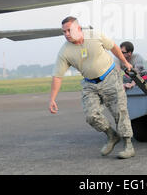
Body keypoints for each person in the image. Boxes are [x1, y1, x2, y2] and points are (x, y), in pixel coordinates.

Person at [49, 17, 135, 159]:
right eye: (63, 32)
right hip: (89, 84)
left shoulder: (94, 35)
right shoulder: (65, 51)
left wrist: (125, 62)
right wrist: (52, 99)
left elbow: (113, 46)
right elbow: (57, 76)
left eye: (68, 30)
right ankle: (112, 136)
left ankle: (128, 146)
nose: (66, 34)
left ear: (78, 28)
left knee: (120, 112)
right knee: (91, 115)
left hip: (110, 78)